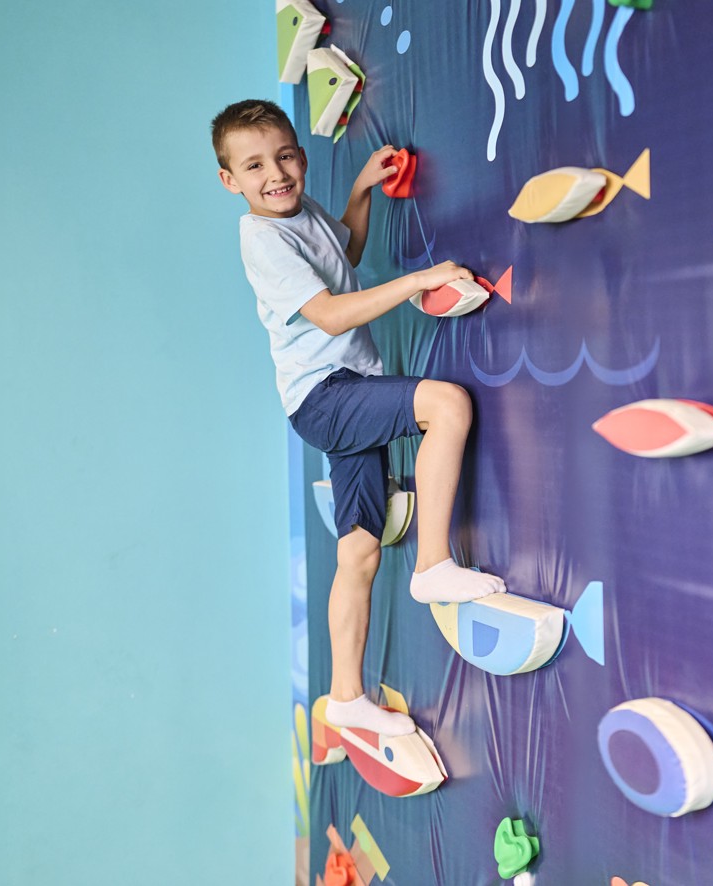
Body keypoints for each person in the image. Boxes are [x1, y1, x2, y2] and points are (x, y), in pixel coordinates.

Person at [212, 99, 505, 737]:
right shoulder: (262, 238)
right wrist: (420, 279)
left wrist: (361, 190)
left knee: (360, 550)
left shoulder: (300, 211)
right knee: (446, 404)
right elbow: (332, 312)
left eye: (285, 156)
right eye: (255, 166)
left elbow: (345, 251)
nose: (276, 174)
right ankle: (433, 563)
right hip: (326, 396)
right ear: (230, 181)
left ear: (301, 156)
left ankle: (345, 697)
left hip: (337, 392)